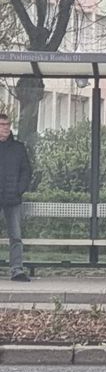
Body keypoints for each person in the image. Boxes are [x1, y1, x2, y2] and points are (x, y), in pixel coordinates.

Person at [0, 113, 32, 282]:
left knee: (16, 236)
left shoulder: (19, 148)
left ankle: (17, 270)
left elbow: (26, 171)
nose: (6, 127)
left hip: (13, 200)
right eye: (2, 124)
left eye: (7, 124)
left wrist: (19, 190)